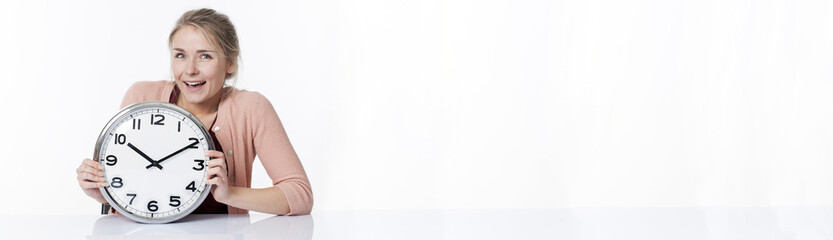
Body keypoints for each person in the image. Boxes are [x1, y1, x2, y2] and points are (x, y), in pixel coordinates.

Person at [75, 8, 313, 215]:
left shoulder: (251, 108)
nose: (190, 70)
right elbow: (131, 189)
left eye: (205, 56)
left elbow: (300, 195)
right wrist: (101, 192)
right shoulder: (141, 97)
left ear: (229, 63)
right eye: (180, 55)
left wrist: (229, 194)